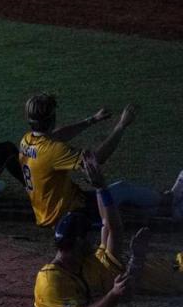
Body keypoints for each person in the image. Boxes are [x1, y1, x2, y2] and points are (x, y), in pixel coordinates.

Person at [33, 153, 183, 307]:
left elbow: (112, 229)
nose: (94, 239)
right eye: (89, 236)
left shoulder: (88, 263)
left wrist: (102, 188)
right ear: (79, 241)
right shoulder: (49, 280)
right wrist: (113, 295)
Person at [19, 93, 179, 226]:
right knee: (122, 191)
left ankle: (168, 207)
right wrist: (121, 126)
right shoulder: (53, 151)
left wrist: (92, 120)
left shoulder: (26, 140)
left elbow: (58, 135)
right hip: (68, 214)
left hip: (50, 210)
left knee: (121, 201)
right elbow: (96, 159)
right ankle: (170, 199)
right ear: (52, 119)